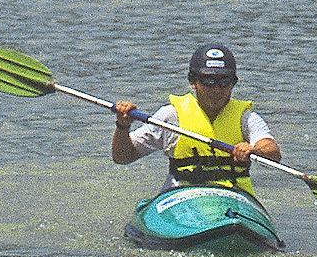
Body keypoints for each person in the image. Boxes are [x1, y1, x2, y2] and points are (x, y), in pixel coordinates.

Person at [111, 43, 282, 194]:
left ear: (233, 83)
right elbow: (122, 157)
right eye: (209, 81)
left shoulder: (246, 117)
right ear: (193, 82)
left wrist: (254, 151)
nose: (217, 90)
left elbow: (272, 151)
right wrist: (123, 126)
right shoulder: (170, 116)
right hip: (182, 197)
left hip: (235, 198)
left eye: (224, 82)